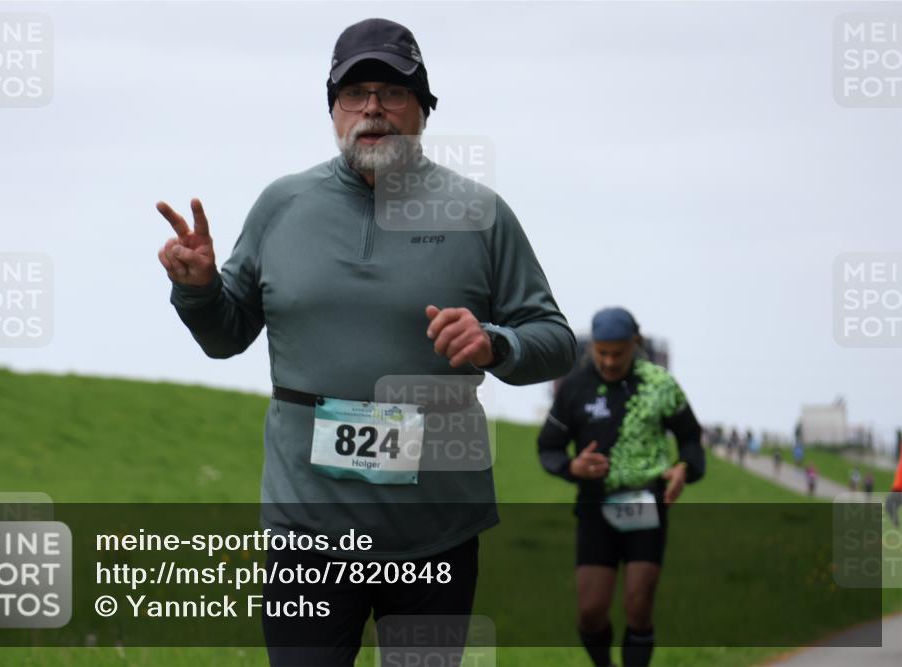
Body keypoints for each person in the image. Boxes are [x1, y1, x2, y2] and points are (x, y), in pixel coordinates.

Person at [157, 18, 576, 666]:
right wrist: (200, 288)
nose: (372, 107)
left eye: (392, 91)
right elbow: (227, 334)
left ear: (423, 110)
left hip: (437, 529)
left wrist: (494, 343)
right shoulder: (282, 205)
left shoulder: (481, 215)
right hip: (308, 530)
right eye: (355, 92)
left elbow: (554, 340)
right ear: (333, 110)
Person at [537, 307, 705, 667]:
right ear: (592, 348)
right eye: (602, 352)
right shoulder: (575, 388)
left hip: (647, 502)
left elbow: (691, 438)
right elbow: (548, 447)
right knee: (590, 612)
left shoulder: (659, 384)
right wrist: (573, 467)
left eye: (618, 352)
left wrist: (684, 469)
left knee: (638, 604)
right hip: (595, 506)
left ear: (635, 344)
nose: (610, 362)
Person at [886, 445, 902, 527]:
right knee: (890, 505)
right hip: (896, 489)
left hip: (899, 490)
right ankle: (896, 523)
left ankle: (896, 523)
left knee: (889, 505)